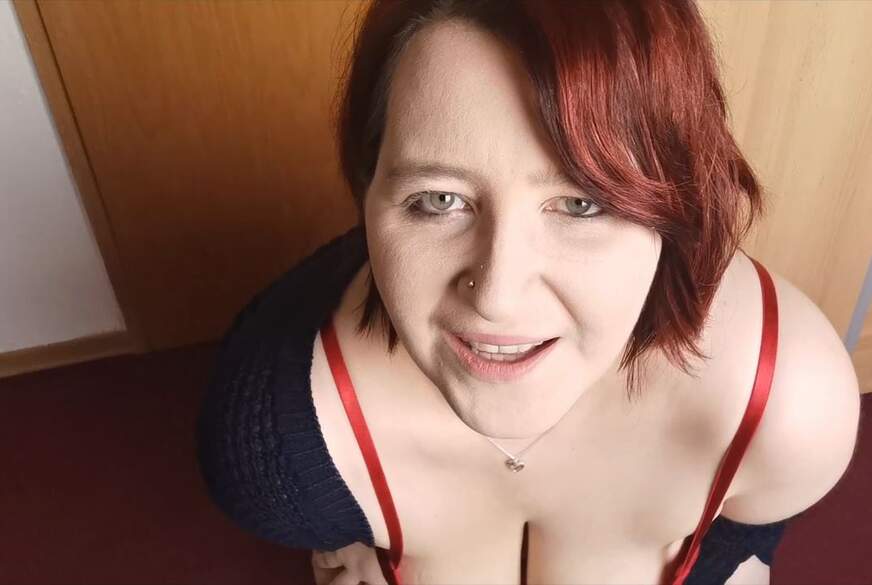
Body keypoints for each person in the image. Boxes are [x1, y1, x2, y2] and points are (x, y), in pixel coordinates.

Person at [196, 1, 861, 584]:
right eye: (439, 200)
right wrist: (348, 530)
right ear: (368, 194)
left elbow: (751, 524)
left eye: (581, 203)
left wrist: (726, 558)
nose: (497, 297)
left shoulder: (784, 406)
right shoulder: (284, 444)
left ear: (676, 200)